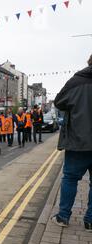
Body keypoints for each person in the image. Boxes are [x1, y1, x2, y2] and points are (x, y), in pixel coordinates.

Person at [51, 54, 92, 232]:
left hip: (78, 141)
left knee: (70, 178)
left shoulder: (76, 81)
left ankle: (64, 216)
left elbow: (59, 102)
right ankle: (90, 221)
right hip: (79, 141)